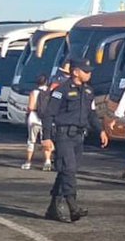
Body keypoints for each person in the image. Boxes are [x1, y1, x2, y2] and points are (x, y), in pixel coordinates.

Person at [44, 59, 108, 223]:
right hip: (63, 135)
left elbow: (92, 114)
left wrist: (101, 130)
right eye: (86, 71)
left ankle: (53, 208)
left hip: (79, 137)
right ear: (75, 72)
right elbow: (49, 114)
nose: (89, 74)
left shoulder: (88, 91)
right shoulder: (61, 90)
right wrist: (46, 137)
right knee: (69, 169)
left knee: (66, 171)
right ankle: (73, 206)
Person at [23, 75, 54, 171]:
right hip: (46, 119)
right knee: (46, 139)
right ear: (46, 82)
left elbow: (31, 107)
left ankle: (28, 162)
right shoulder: (50, 92)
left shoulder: (34, 92)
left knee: (31, 140)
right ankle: (47, 161)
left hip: (34, 118)